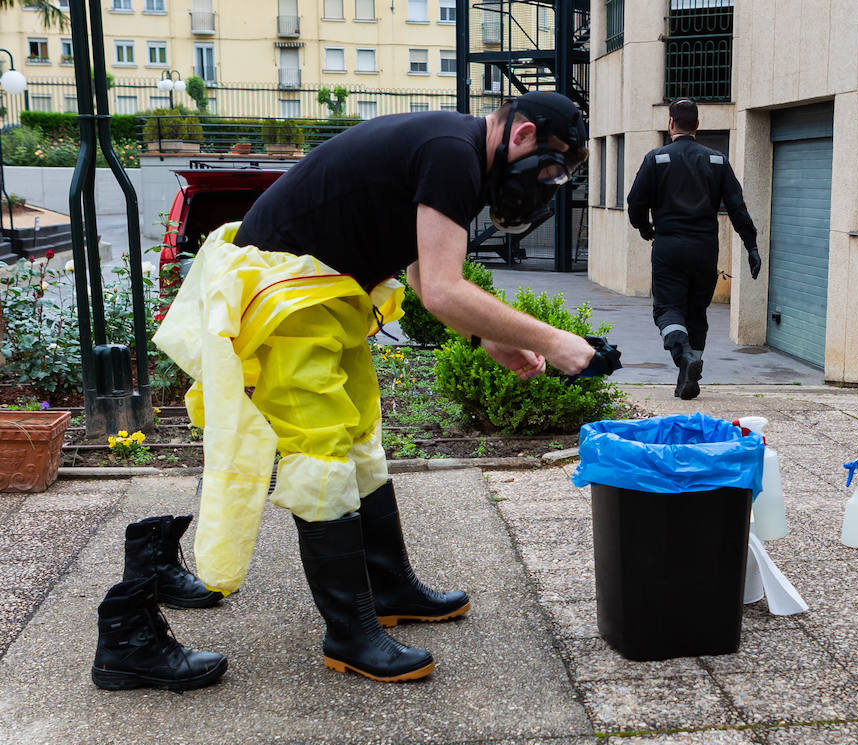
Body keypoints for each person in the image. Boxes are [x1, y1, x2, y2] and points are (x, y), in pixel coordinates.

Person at [155, 91, 605, 683]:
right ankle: (350, 633)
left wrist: (488, 336)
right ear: (521, 136)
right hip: (281, 298)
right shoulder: (454, 154)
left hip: (324, 292)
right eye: (550, 169)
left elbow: (422, 271)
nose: (546, 184)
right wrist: (556, 341)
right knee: (321, 458)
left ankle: (389, 589)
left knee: (361, 436)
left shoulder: (460, 152)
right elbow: (444, 289)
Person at [627, 98, 762, 400]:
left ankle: (685, 359)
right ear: (698, 125)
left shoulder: (656, 158)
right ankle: (688, 377)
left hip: (669, 247)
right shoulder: (717, 161)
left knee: (667, 309)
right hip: (704, 249)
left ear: (671, 123)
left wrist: (644, 227)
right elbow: (737, 207)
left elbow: (635, 203)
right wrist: (751, 245)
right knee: (696, 312)